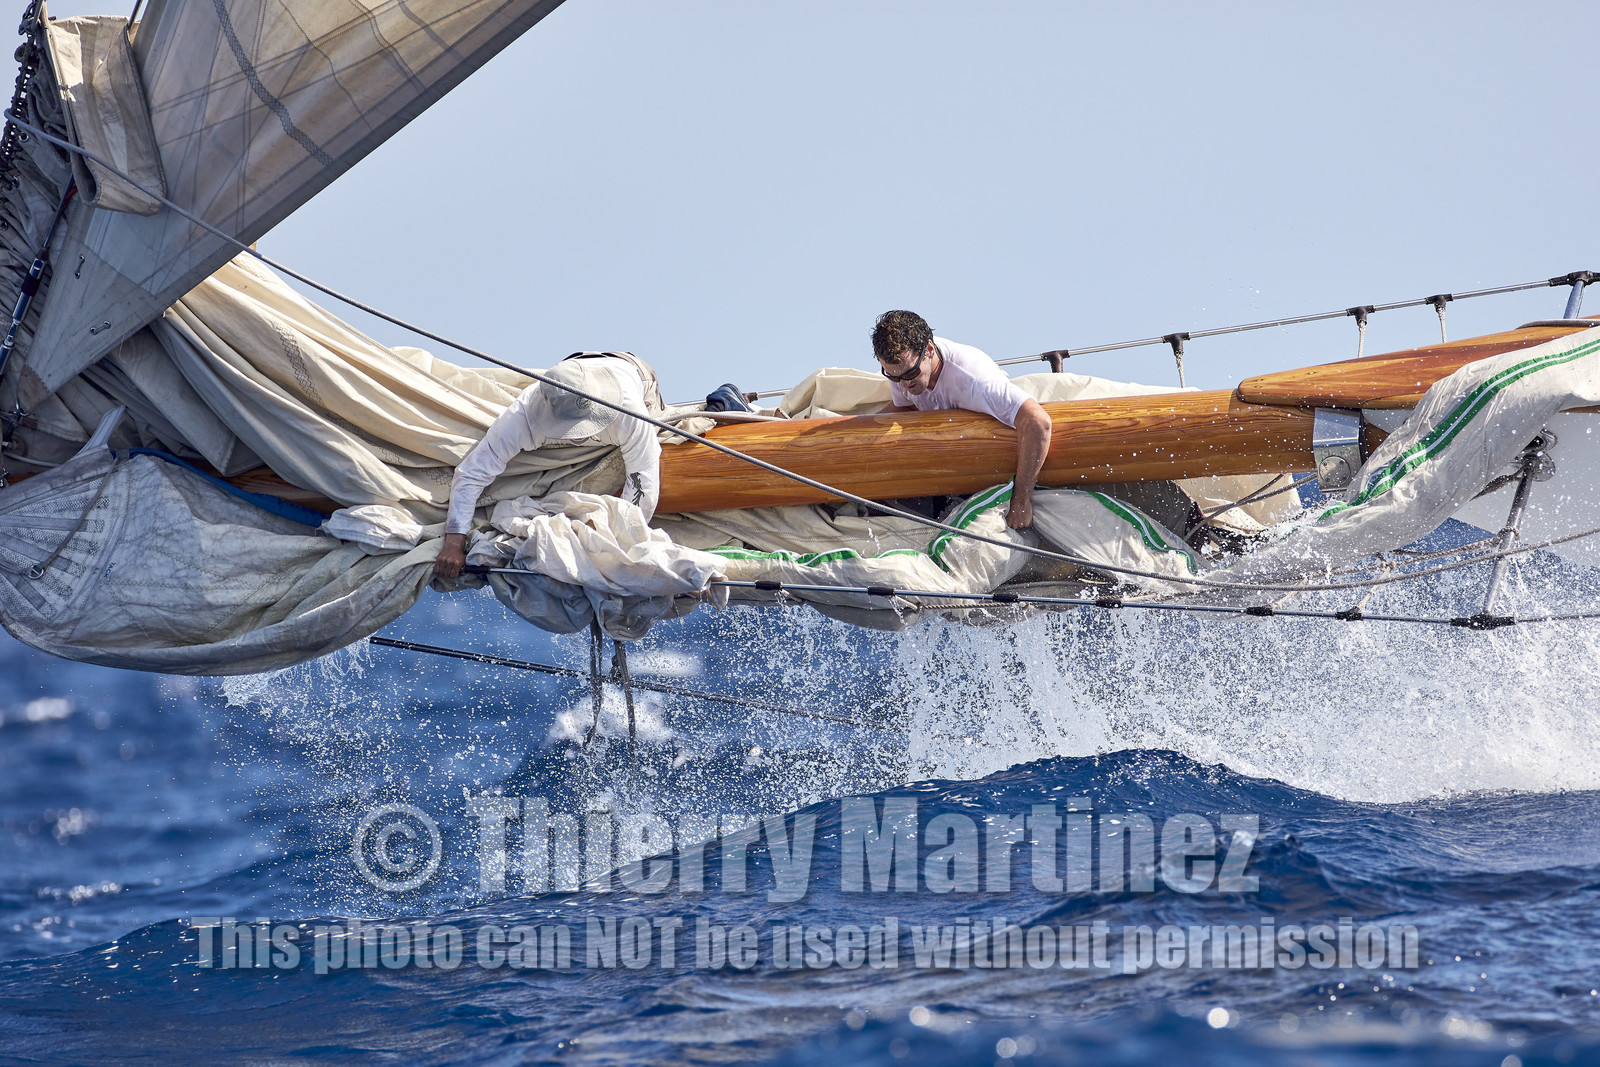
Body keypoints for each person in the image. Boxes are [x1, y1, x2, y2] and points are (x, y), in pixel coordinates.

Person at [433, 352, 662, 580]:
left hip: (632, 371)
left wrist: (619, 551)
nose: (577, 436)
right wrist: (454, 543)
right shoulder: (523, 414)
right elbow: (471, 473)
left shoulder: (629, 411)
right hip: (569, 373)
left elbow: (643, 482)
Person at [871, 310, 1052, 529]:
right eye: (892, 376)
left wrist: (1022, 500)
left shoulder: (975, 381)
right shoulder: (904, 369)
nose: (902, 384)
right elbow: (905, 408)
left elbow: (1038, 423)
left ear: (928, 350)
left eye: (910, 375)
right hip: (948, 470)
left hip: (995, 471)